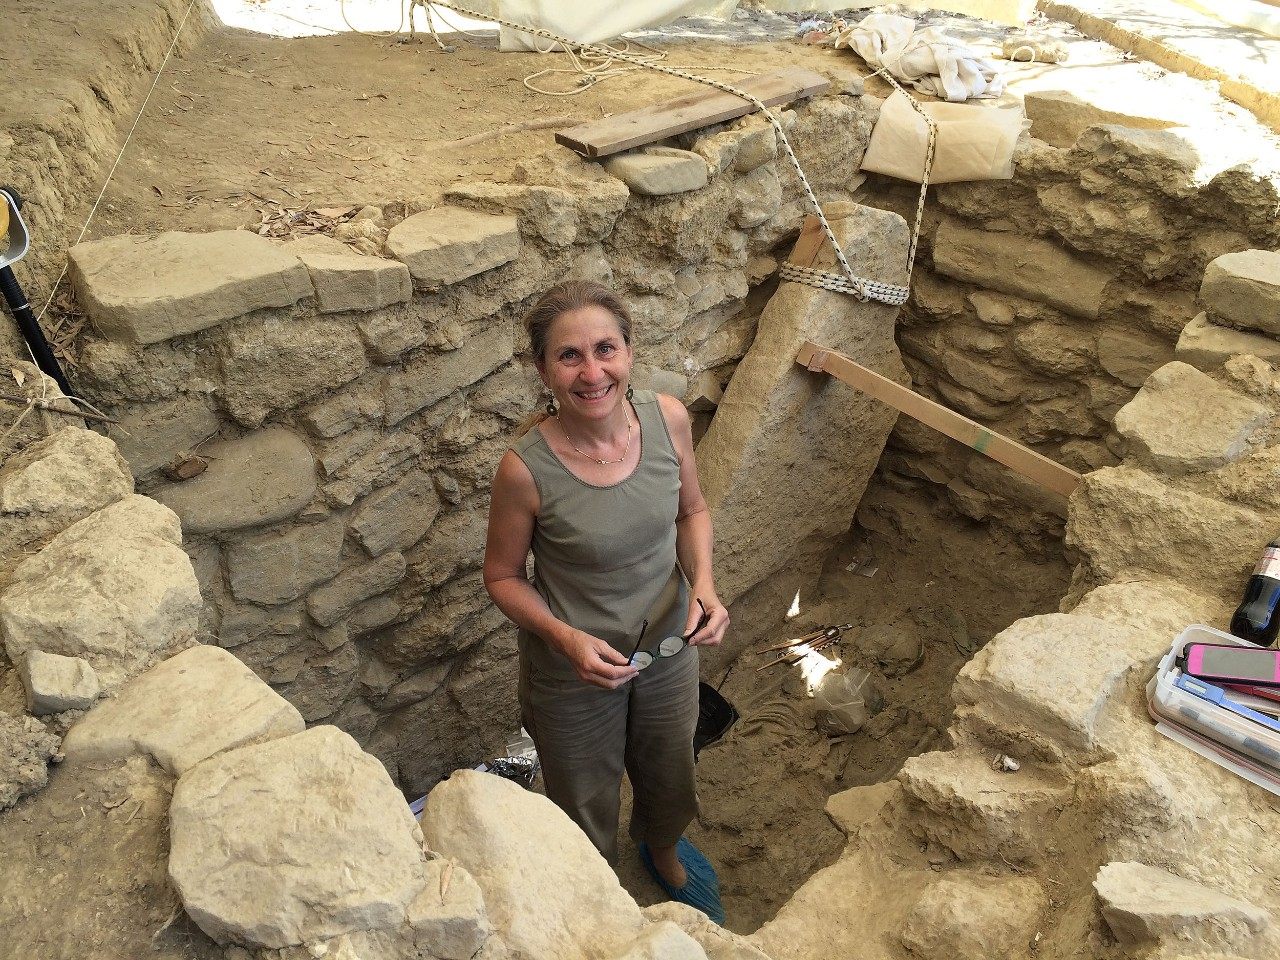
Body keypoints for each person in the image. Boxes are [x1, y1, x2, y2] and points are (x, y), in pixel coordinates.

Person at [483, 280, 730, 921]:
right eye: (569, 356)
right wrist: (565, 638)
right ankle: (602, 894)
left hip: (670, 645)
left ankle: (663, 849)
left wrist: (703, 584)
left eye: (605, 349)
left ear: (627, 350)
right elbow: (503, 577)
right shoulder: (525, 469)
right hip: (574, 669)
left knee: (669, 761)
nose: (593, 372)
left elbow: (693, 510)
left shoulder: (668, 418)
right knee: (582, 789)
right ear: (542, 369)